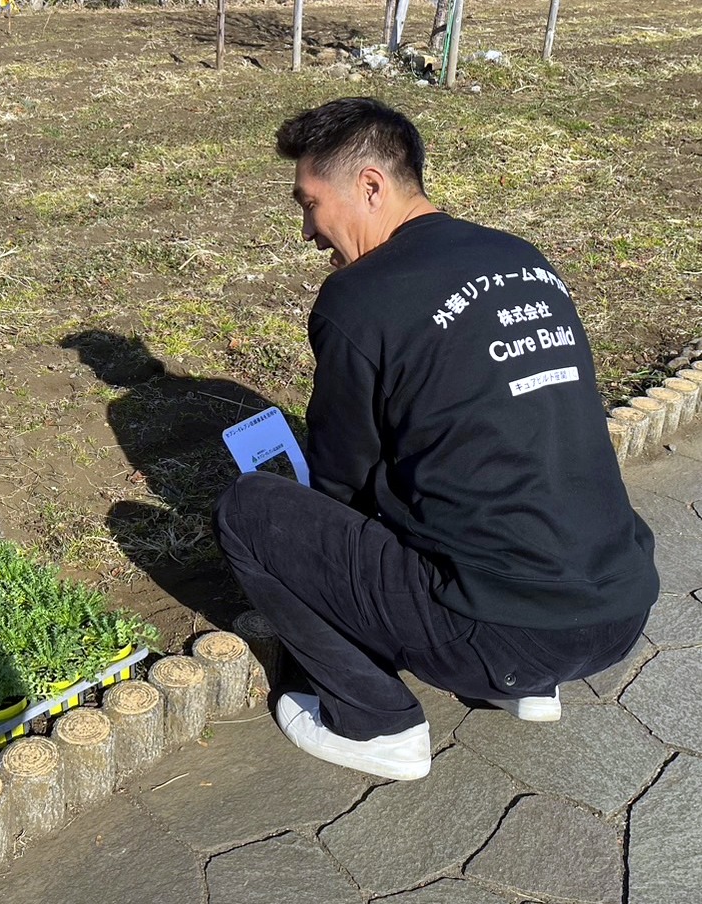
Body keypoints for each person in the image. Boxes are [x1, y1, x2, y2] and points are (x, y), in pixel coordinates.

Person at [213, 98, 657, 781]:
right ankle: (525, 685)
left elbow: (342, 479)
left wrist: (318, 561)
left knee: (250, 512)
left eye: (308, 203)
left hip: (507, 632)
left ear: (368, 185)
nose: (307, 230)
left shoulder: (358, 296)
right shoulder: (519, 257)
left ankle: (375, 723)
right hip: (619, 606)